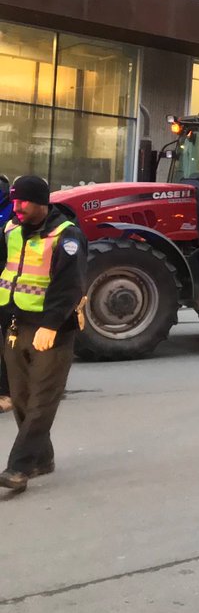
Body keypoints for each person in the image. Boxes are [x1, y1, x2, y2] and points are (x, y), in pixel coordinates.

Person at [0, 176, 87, 493]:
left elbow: (69, 287)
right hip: (13, 326)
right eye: (14, 200)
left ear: (40, 202)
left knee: (41, 402)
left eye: (22, 201)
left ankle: (18, 467)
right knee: (21, 398)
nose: (16, 207)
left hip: (51, 332)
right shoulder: (10, 231)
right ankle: (42, 459)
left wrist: (50, 326)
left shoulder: (67, 236)